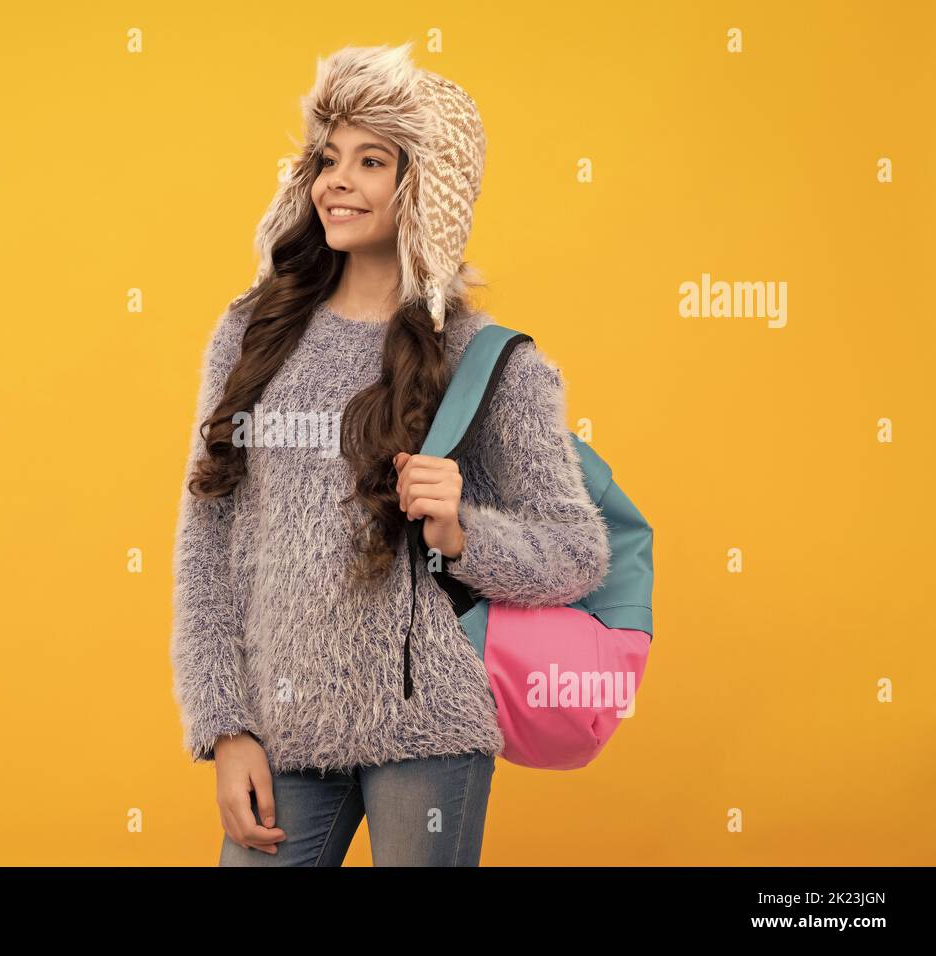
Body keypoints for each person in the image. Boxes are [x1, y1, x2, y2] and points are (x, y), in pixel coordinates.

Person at [169, 42, 610, 866]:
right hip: (283, 723)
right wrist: (224, 724)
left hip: (431, 724)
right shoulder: (251, 334)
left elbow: (577, 550)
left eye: (371, 161)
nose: (336, 181)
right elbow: (206, 546)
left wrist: (463, 533)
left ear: (428, 188)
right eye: (327, 158)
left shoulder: (488, 359)